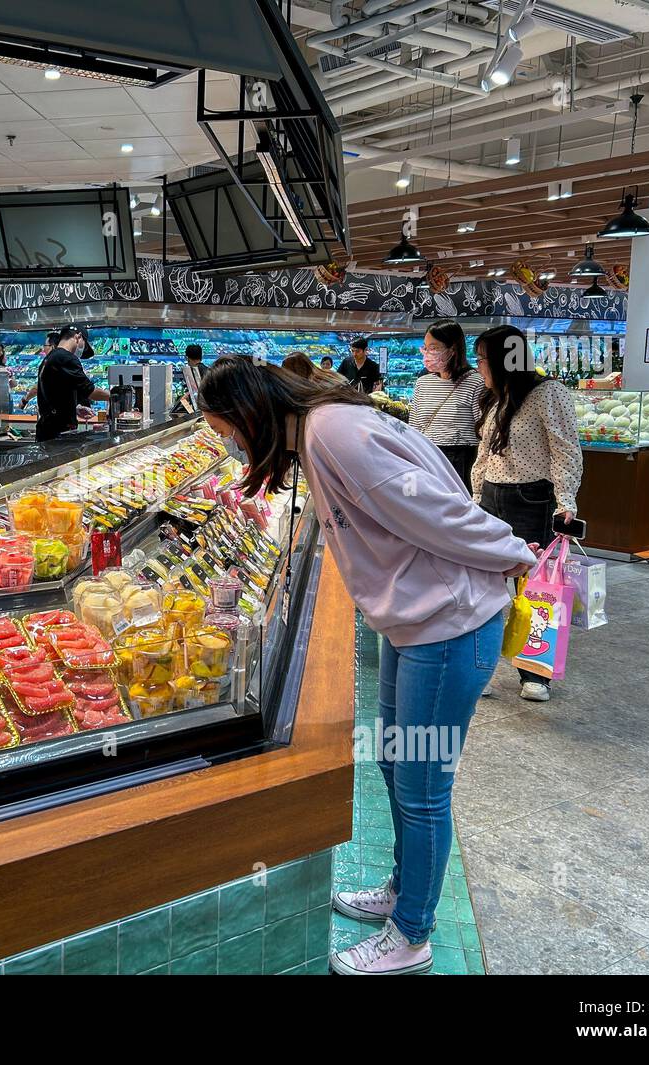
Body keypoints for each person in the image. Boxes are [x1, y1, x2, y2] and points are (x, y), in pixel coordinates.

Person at [197, 357, 534, 975]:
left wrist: (511, 551)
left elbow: (433, 510)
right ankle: (406, 890)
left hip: (449, 623)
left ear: (250, 413)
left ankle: (412, 936)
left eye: (228, 429)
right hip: (417, 621)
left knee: (423, 786)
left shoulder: (333, 432)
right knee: (396, 764)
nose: (230, 442)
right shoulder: (322, 432)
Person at [471, 324, 582, 704]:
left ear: (505, 359)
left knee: (536, 589)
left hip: (532, 499)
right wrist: (474, 497)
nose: (479, 365)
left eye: (483, 358)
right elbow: (484, 454)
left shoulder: (548, 394)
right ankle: (480, 666)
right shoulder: (495, 397)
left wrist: (566, 500)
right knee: (484, 585)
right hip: (490, 499)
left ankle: (535, 673)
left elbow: (566, 450)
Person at [409, 320, 483, 490]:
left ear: (453, 349)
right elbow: (414, 427)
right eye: (425, 348)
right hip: (426, 456)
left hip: (461, 460)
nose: (428, 354)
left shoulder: (476, 382)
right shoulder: (422, 383)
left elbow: (483, 432)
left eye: (434, 348)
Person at [35, 324, 110, 442]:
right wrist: (115, 395)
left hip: (46, 430)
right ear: (78, 337)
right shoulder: (66, 358)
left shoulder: (49, 358)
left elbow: (54, 394)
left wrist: (74, 408)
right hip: (58, 434)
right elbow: (90, 392)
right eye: (84, 346)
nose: (82, 350)